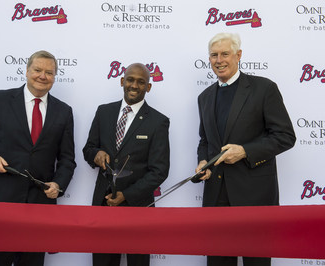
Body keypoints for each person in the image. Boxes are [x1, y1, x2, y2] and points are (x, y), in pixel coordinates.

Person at [0, 50, 76, 266]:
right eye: (37, 70)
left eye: (49, 72)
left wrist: (59, 183)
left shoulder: (64, 111)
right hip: (2, 202)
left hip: (40, 206)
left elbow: (67, 159)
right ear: (27, 71)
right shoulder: (1, 99)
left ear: (55, 77)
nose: (42, 76)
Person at [195, 33, 296, 266]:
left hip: (255, 196)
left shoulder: (264, 88)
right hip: (216, 196)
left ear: (238, 55)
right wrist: (203, 162)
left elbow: (285, 136)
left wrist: (245, 151)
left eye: (225, 54)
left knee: (256, 261)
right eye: (213, 55)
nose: (219, 60)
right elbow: (204, 141)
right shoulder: (205, 97)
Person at [83, 63, 170, 266]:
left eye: (141, 82)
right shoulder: (103, 112)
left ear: (148, 87)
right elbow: (88, 149)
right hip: (103, 204)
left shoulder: (158, 121)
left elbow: (160, 171)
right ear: (122, 81)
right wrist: (96, 154)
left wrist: (126, 195)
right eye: (130, 79)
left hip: (139, 207)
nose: (134, 85)